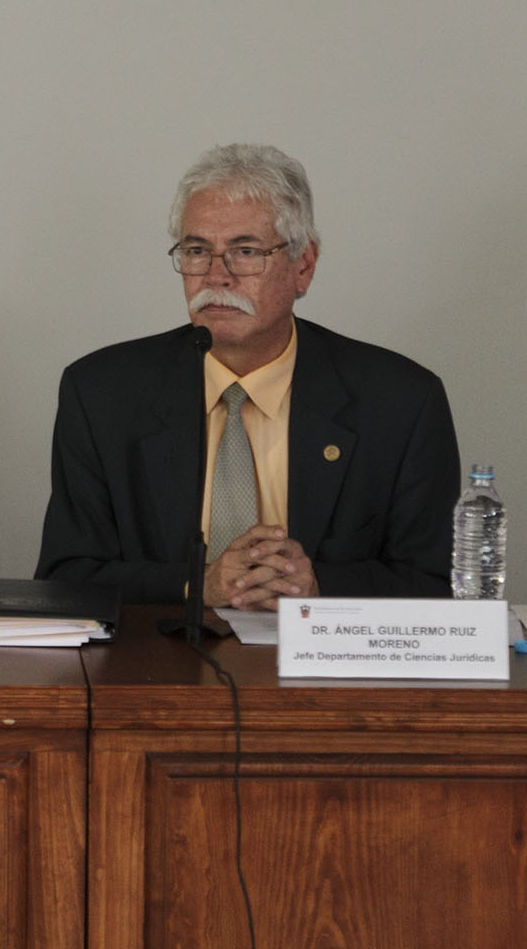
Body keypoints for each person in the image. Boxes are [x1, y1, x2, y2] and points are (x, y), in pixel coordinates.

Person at [36, 144, 461, 608]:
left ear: (304, 266)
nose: (216, 276)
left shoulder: (401, 402)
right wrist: (196, 585)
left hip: (322, 653)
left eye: (245, 252)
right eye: (197, 251)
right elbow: (66, 576)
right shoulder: (101, 394)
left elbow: (436, 583)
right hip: (158, 653)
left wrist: (318, 587)